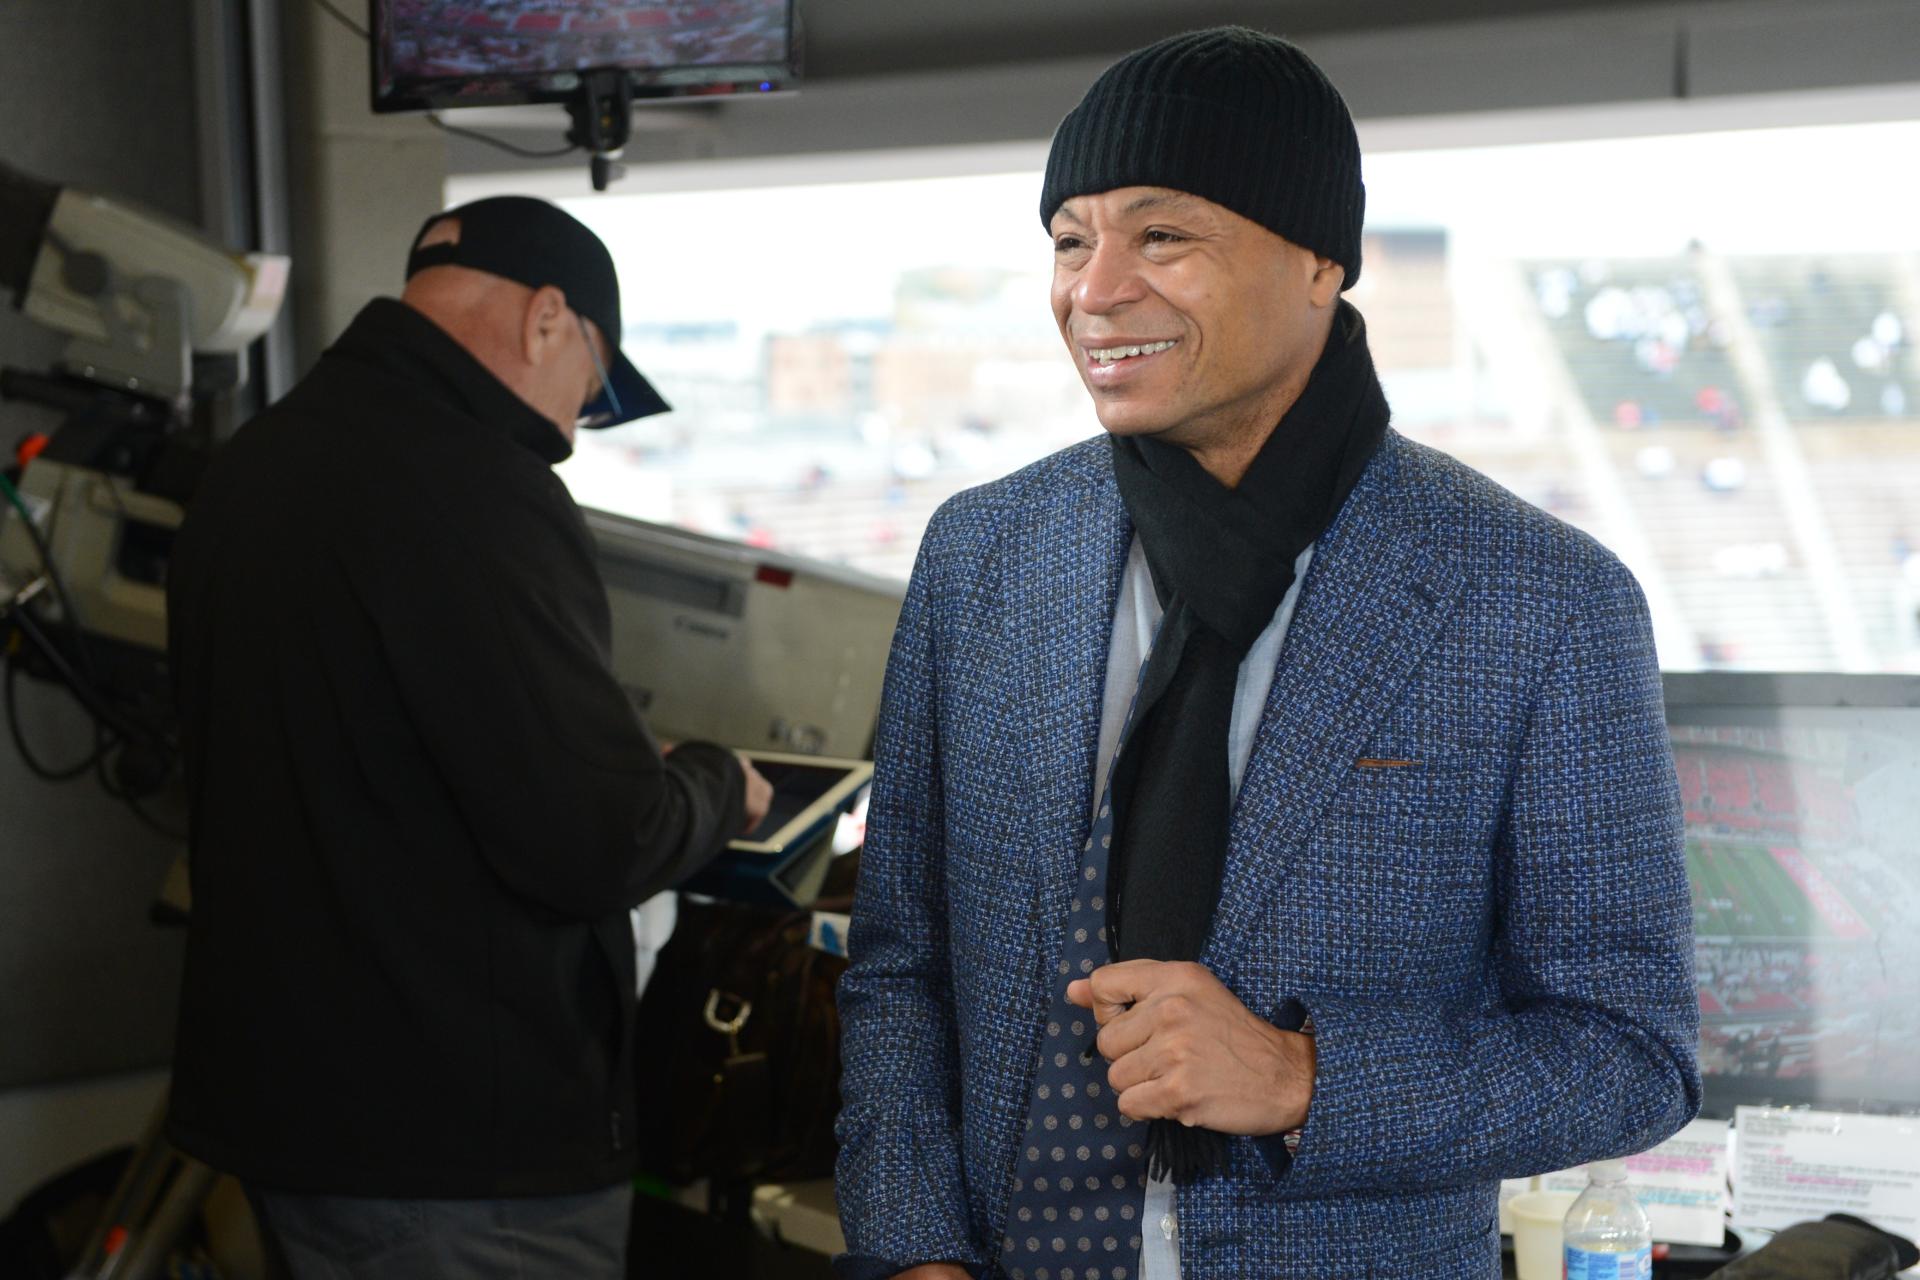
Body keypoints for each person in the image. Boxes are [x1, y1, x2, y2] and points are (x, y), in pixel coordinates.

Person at [834, 27, 1699, 1280]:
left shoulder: (1538, 598)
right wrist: (916, 1251)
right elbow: (901, 972)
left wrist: (1305, 1077)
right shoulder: (982, 555)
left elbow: (1633, 1052)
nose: (1094, 288)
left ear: (1316, 263)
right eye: (1070, 239)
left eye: (1161, 236)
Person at [165, 195, 771, 1278]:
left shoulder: (254, 463)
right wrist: (720, 787)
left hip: (294, 1115)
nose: (576, 427)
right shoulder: (480, 484)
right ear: (549, 319)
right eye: (594, 385)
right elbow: (597, 839)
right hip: (457, 1150)